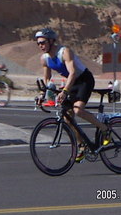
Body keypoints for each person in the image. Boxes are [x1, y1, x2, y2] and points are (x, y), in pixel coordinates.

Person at [35, 27, 110, 162]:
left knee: (78, 110)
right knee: (67, 118)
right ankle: (82, 145)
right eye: (38, 43)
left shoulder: (64, 52)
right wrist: (44, 94)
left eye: (43, 42)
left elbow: (73, 73)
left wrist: (64, 91)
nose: (40, 45)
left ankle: (105, 129)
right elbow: (47, 79)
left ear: (51, 41)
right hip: (72, 83)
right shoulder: (44, 59)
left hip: (83, 80)